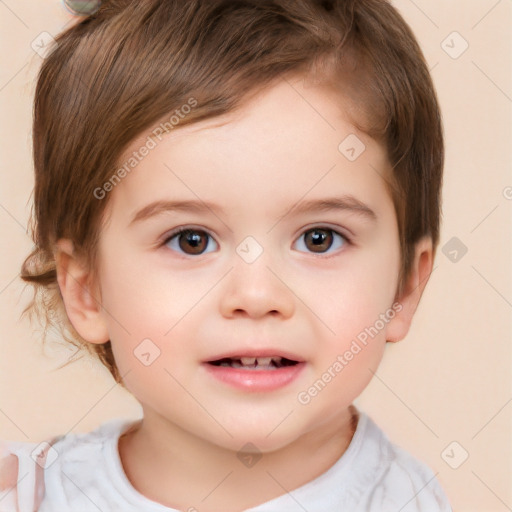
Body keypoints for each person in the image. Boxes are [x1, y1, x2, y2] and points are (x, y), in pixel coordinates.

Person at [0, 0, 451, 510]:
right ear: (86, 288)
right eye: (191, 240)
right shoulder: (26, 495)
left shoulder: (405, 501)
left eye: (319, 238)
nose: (257, 296)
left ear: (404, 288)